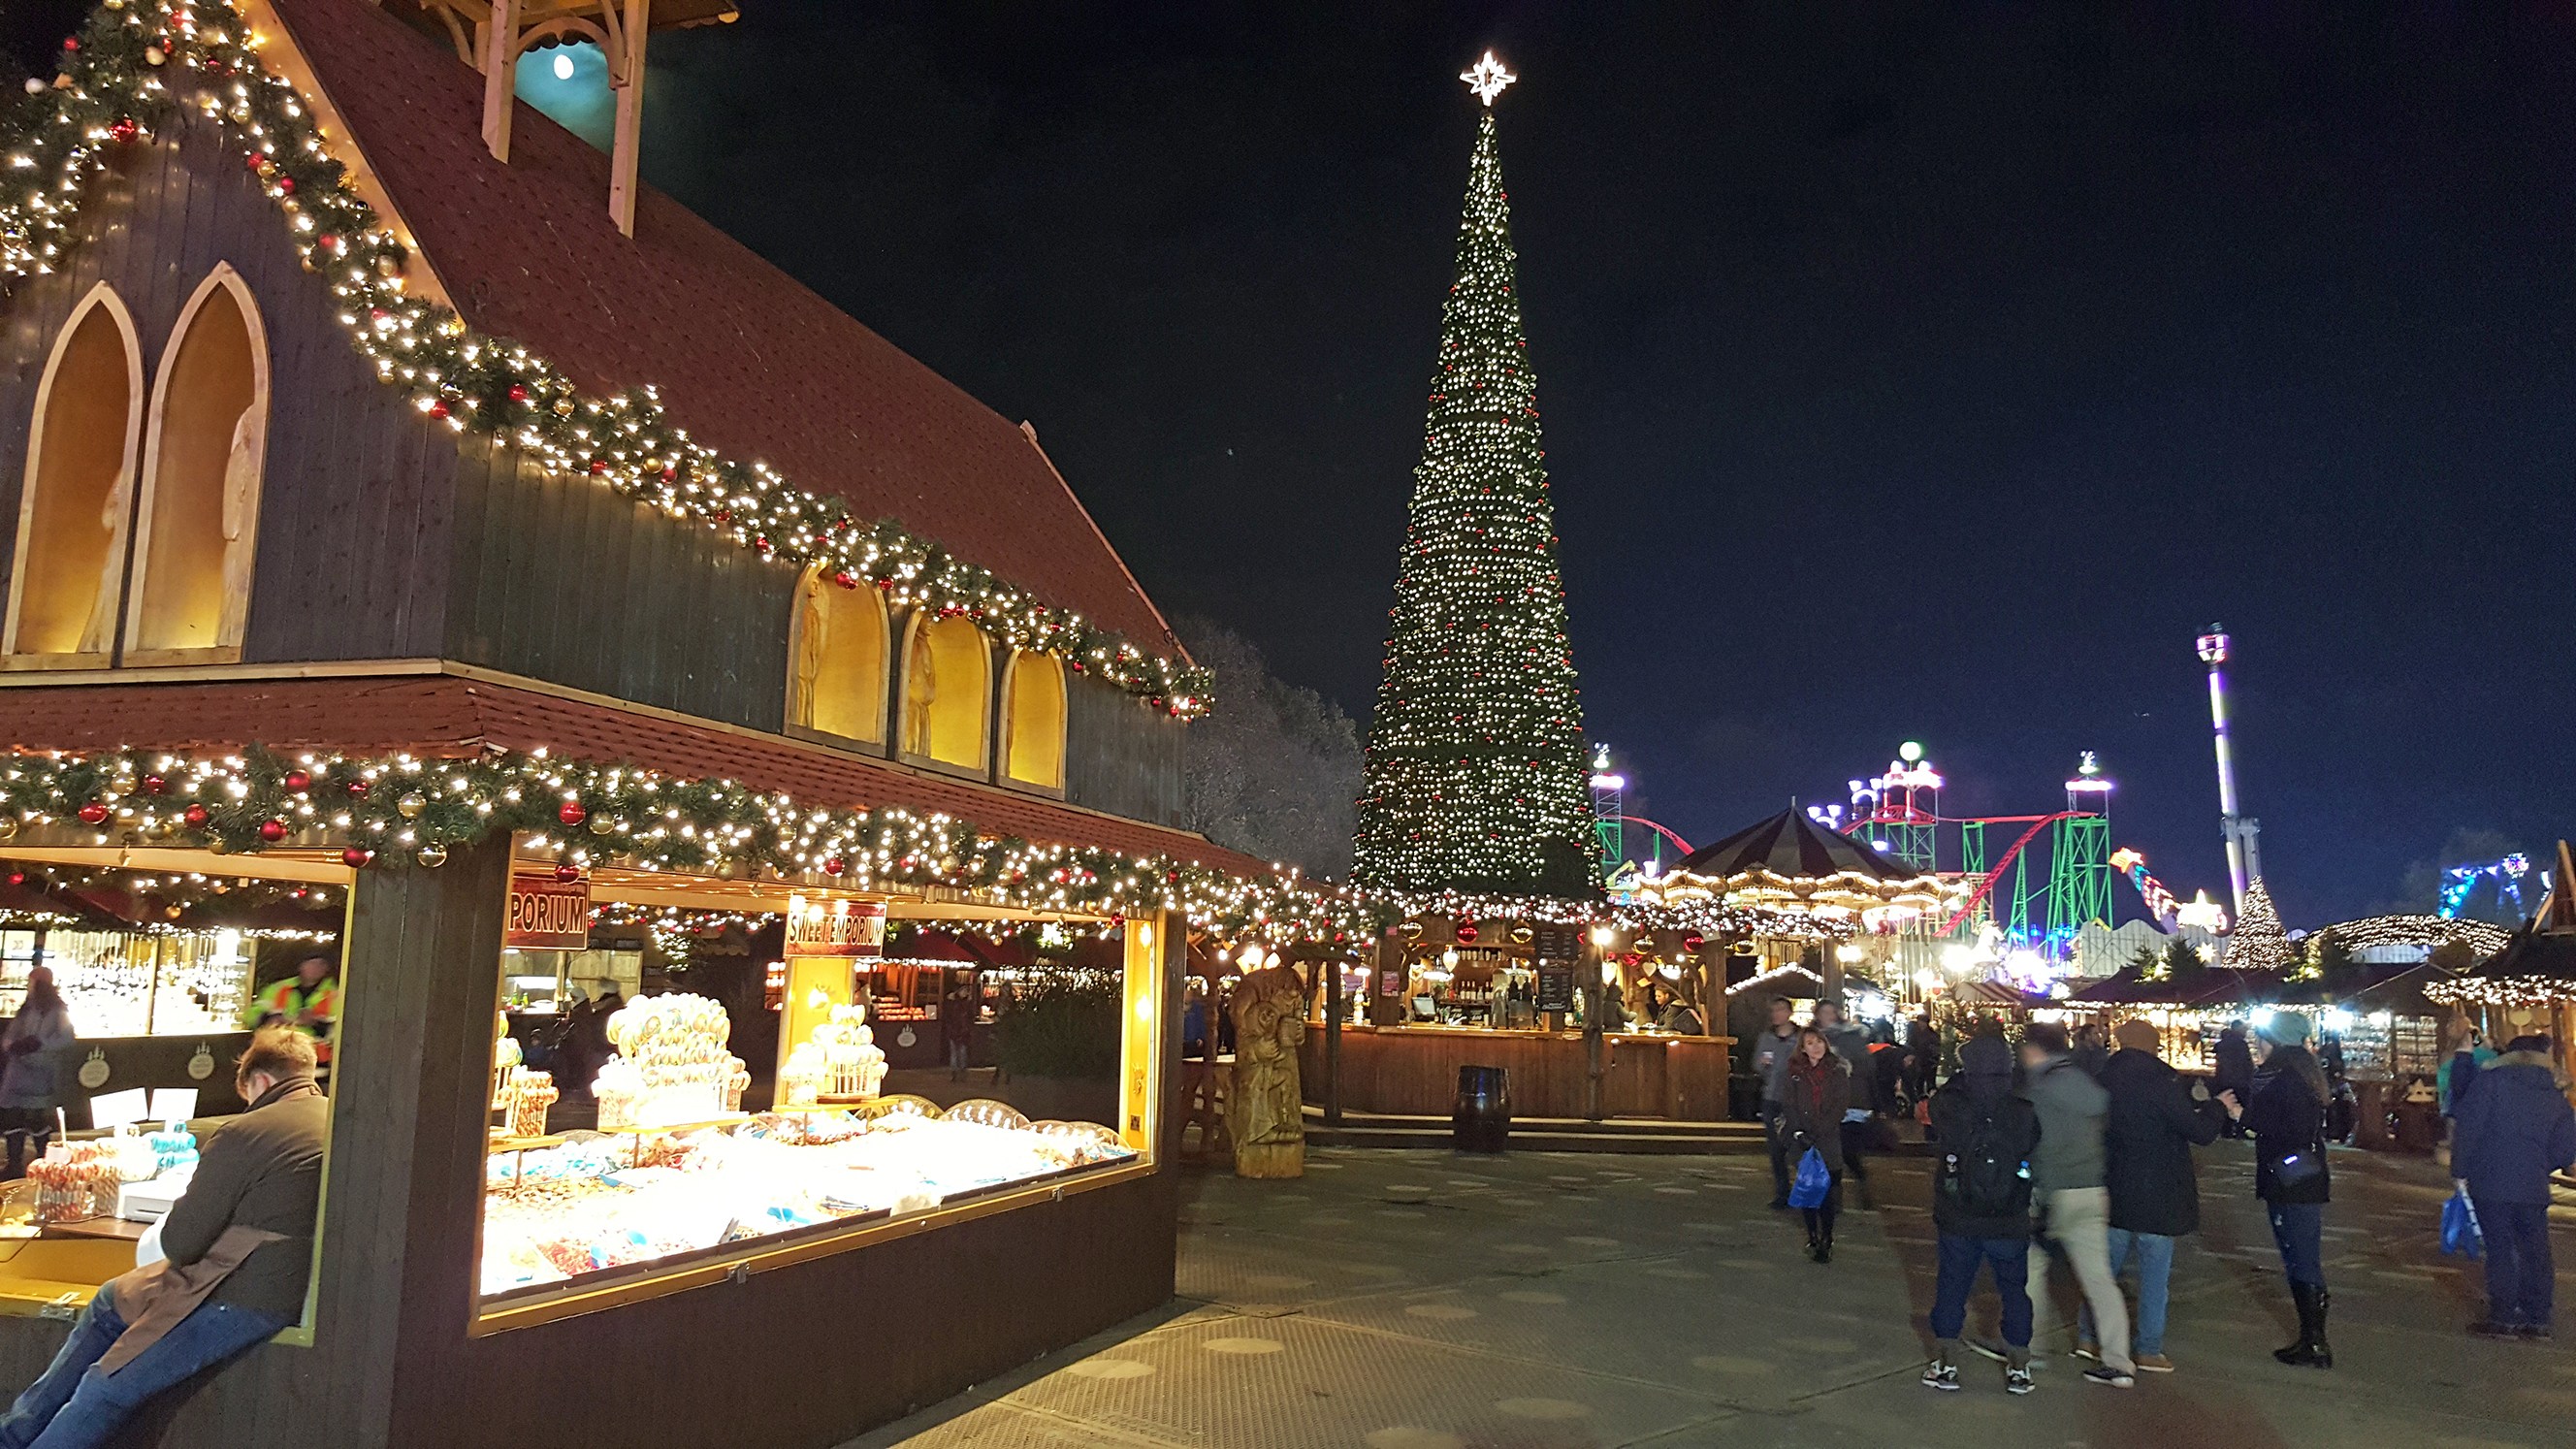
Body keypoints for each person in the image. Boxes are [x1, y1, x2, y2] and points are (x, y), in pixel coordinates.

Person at [0, 1027, 325, 1447]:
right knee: (110, 1301)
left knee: (104, 1387)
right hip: (286, 1285)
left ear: (259, 1081)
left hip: (241, 1293)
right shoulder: (331, 1119)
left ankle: (16, 1434)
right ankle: (13, 1434)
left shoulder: (248, 1131)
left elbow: (181, 1243)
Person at [1989, 1022, 2135, 1387]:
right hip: (2092, 1189)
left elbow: (2042, 1146)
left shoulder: (2040, 1090)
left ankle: (2027, 1346)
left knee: (2030, 1268)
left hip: (2055, 1193)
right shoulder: (2087, 1084)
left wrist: (2040, 1196)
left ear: (2035, 1050)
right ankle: (2119, 1362)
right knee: (2099, 1279)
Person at [2082, 1018, 2219, 1372]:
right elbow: (2199, 1131)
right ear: (2152, 1045)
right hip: (2159, 1190)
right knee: (2154, 1276)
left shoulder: (2101, 1080)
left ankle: (2089, 1336)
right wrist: (2217, 1108)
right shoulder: (2162, 1083)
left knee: (2104, 1271)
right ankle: (2147, 1347)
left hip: (2114, 1187)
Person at [1923, 1034, 2044, 1395]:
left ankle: (1945, 1362)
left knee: (1953, 1285)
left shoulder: (1951, 1103)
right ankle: (2019, 1365)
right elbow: (2032, 1144)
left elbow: (1936, 1119)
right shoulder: (2021, 1107)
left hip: (1959, 1213)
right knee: (2014, 1289)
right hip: (2009, 1215)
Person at [2220, 1011, 2334, 1368]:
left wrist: (2240, 1114)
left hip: (2293, 1177)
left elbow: (2290, 1127)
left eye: (2263, 1038)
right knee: (2299, 1255)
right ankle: (2310, 1338)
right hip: (2299, 1175)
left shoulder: (2286, 1077)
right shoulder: (2300, 1071)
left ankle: (2315, 1342)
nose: (2258, 1045)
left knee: (2301, 1256)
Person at [2450, 1034, 2576, 1339]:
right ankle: (2537, 1317)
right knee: (2535, 1249)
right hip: (2532, 1183)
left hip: (2491, 1179)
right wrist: (2539, 1164)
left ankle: (2504, 1317)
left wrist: (2460, 1169)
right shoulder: (2555, 1093)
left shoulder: (2490, 1083)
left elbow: (2469, 1128)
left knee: (2501, 1248)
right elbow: (2566, 1147)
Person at [1781, 1026, 1852, 1262]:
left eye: (1819, 1041)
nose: (1816, 1046)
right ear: (1802, 1047)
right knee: (1809, 1190)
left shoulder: (1837, 1071)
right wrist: (1799, 1131)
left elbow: (1839, 1107)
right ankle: (1812, 1234)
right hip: (1803, 1139)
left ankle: (1827, 1237)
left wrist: (1819, 1131)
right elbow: (1789, 1103)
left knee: (1828, 1192)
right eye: (1810, 1043)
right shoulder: (1794, 1073)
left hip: (1828, 1138)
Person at [0, 967, 76, 1171]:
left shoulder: (57, 1011)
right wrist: (12, 1045)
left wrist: (39, 1043)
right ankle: (14, 1163)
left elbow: (66, 1039)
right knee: (14, 1118)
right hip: (19, 1073)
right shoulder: (27, 1009)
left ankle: (43, 1163)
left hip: (40, 1074)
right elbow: (10, 1035)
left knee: (36, 1119)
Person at [1812, 1001, 1877, 1209]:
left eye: (1831, 1012)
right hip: (1825, 1102)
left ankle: (1860, 1182)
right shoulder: (1813, 1037)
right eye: (1823, 1012)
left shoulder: (1852, 1036)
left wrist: (1848, 1065)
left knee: (1847, 1150)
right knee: (1829, 1151)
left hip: (1852, 1101)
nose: (1827, 1016)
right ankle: (1834, 1194)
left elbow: (1868, 1066)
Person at [242, 952, 338, 1076]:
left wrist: (316, 1023)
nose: (315, 967)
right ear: (301, 966)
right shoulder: (278, 988)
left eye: (320, 964)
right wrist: (269, 1019)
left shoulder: (335, 995)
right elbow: (250, 1016)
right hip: (276, 1060)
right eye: (311, 963)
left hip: (317, 1065)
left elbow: (341, 1032)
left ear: (326, 968)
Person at [1752, 997, 1802, 1208]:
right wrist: (1763, 1065)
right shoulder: (1766, 1038)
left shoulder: (1801, 1038)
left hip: (1797, 1100)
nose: (1776, 1014)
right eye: (1773, 1010)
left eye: (1780, 1009)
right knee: (1776, 1149)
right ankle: (1783, 1194)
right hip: (1772, 1098)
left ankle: (1806, 1192)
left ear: (1789, 1012)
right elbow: (1757, 1065)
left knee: (1798, 1147)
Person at [2212, 1025, 2254, 1139]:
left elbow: (2218, 1063)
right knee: (2241, 1106)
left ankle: (2225, 1131)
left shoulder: (2222, 1045)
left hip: (2224, 1081)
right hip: (2241, 1082)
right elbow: (2248, 1064)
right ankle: (2241, 1131)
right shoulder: (2242, 1044)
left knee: (2225, 1106)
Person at [941, 972, 978, 1081]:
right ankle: (956, 1072)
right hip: (956, 1031)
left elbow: (970, 1016)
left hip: (962, 1031)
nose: (966, 993)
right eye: (964, 991)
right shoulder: (955, 1003)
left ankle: (960, 1071)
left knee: (961, 1052)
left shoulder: (963, 1003)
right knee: (957, 1052)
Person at [1906, 1014, 1942, 1106]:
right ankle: (1920, 1102)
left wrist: (1934, 1059)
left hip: (1929, 1061)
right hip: (1918, 1061)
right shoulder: (1914, 1033)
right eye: (1920, 1022)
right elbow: (1910, 1045)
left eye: (1923, 1022)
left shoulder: (1932, 1034)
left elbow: (1936, 1048)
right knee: (1919, 1081)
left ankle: (1932, 1103)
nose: (1921, 1024)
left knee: (1930, 1082)